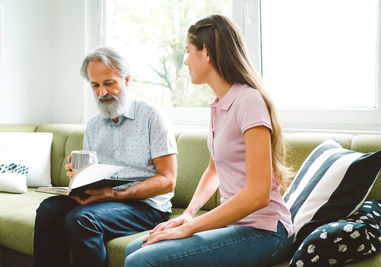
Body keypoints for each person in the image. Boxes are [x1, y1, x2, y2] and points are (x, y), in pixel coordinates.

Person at [124, 14, 294, 267]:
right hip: (235, 225)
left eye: (187, 51)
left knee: (142, 262)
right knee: (134, 248)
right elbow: (214, 170)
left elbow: (258, 195)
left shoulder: (248, 100)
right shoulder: (218, 105)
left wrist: (191, 228)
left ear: (206, 52)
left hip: (266, 231)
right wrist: (189, 214)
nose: (185, 61)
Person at [33, 47, 178, 267]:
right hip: (106, 200)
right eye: (95, 85)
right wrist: (79, 180)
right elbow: (93, 174)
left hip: (146, 206)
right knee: (48, 209)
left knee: (81, 219)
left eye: (109, 83)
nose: (102, 92)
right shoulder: (93, 124)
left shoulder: (153, 117)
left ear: (126, 80)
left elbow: (167, 181)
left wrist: (116, 195)